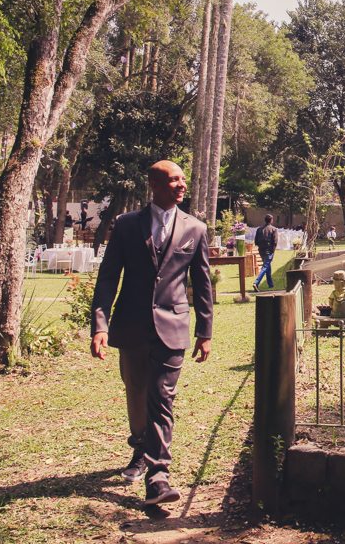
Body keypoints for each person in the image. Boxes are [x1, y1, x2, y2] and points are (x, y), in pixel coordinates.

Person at [90, 160, 213, 506]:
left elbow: (202, 286)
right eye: (173, 181)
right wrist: (100, 325)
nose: (181, 186)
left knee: (161, 396)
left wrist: (205, 331)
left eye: (183, 180)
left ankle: (158, 477)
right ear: (155, 186)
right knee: (136, 390)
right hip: (131, 324)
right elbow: (108, 278)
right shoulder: (127, 225)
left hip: (173, 326)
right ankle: (140, 447)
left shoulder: (195, 229)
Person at [253, 214, 278, 290]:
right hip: (269, 251)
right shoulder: (274, 229)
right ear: (271, 220)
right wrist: (273, 252)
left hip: (261, 250)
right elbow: (275, 242)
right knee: (265, 267)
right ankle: (256, 282)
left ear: (264, 220)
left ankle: (270, 284)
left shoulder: (259, 229)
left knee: (267, 266)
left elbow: (256, 241)